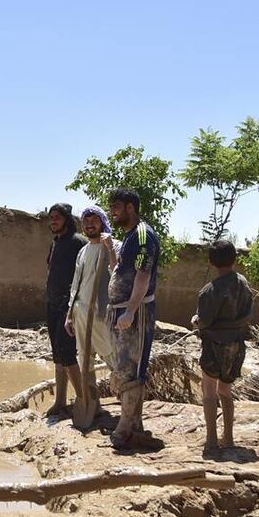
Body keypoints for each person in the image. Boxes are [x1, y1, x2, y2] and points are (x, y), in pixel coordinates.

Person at [103, 188, 161, 450]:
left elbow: (143, 275)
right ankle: (134, 424)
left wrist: (130, 311)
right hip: (122, 311)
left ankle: (124, 427)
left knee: (131, 369)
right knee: (123, 366)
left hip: (135, 313)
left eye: (116, 206)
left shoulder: (143, 236)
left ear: (130, 207)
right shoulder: (129, 237)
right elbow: (119, 269)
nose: (112, 212)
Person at [192, 239, 253, 453]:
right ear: (235, 259)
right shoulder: (244, 284)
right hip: (237, 344)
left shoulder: (209, 291)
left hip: (214, 345)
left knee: (208, 389)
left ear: (211, 262)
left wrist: (196, 321)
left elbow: (205, 320)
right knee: (225, 389)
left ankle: (211, 440)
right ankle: (228, 438)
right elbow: (248, 314)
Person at [45, 203, 87, 417]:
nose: (53, 221)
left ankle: (84, 401)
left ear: (67, 220)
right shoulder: (56, 242)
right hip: (52, 305)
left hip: (69, 307)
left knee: (67, 353)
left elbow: (86, 276)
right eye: (51, 217)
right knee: (57, 355)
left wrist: (73, 306)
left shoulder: (78, 242)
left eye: (58, 217)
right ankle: (60, 401)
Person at [66, 206, 118, 376]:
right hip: (80, 313)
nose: (90, 224)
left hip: (103, 315)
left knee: (115, 360)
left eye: (94, 220)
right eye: (86, 221)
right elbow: (76, 284)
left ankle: (125, 392)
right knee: (85, 361)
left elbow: (118, 275)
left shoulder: (116, 246)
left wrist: (110, 248)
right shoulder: (83, 251)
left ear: (103, 223)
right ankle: (90, 394)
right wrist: (69, 315)